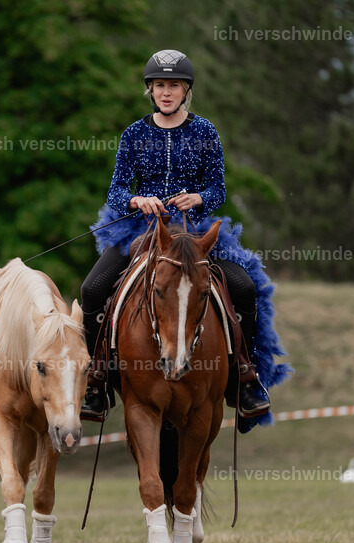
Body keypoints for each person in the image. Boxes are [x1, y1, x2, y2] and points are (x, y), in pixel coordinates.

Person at [80, 49, 272, 423]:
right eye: (159, 85)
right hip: (141, 229)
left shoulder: (206, 132)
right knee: (92, 290)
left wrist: (199, 197)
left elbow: (218, 189)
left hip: (194, 230)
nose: (166, 92)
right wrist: (138, 199)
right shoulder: (134, 134)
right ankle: (97, 380)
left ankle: (245, 377)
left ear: (186, 91)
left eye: (174, 86)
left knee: (245, 288)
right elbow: (116, 191)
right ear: (150, 90)